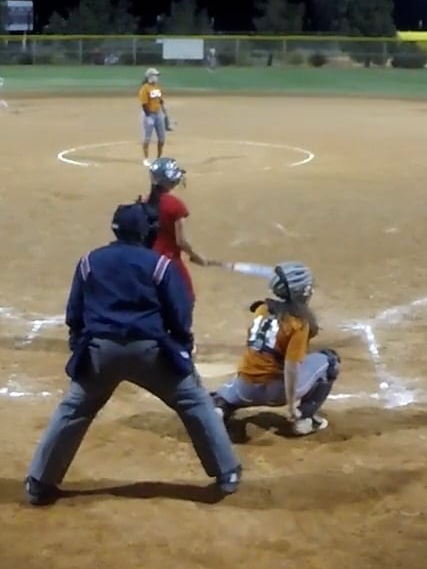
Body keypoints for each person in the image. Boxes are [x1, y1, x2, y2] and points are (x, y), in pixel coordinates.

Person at [23, 202, 241, 505]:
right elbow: (179, 313)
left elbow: (75, 313)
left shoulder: (89, 261)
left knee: (74, 409)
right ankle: (226, 473)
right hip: (150, 352)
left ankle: (39, 482)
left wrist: (82, 347)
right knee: (194, 401)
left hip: (100, 352)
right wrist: (180, 347)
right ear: (145, 232)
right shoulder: (159, 264)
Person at [212, 262, 340, 436]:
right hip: (276, 392)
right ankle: (305, 419)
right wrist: (291, 405)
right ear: (301, 292)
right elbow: (291, 367)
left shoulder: (261, 309)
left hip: (245, 388)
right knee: (330, 360)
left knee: (221, 396)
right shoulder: (298, 323)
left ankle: (219, 411)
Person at [145, 157, 213, 299]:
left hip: (146, 259)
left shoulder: (144, 200)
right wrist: (196, 256)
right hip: (169, 262)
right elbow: (181, 241)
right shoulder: (175, 205)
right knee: (186, 297)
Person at [138, 67, 171, 160]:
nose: (157, 77)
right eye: (155, 75)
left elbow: (160, 100)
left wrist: (164, 110)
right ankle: (146, 159)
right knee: (147, 138)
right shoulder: (144, 89)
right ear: (150, 77)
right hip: (149, 115)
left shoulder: (157, 87)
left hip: (158, 114)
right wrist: (148, 117)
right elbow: (144, 104)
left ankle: (159, 157)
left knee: (162, 138)